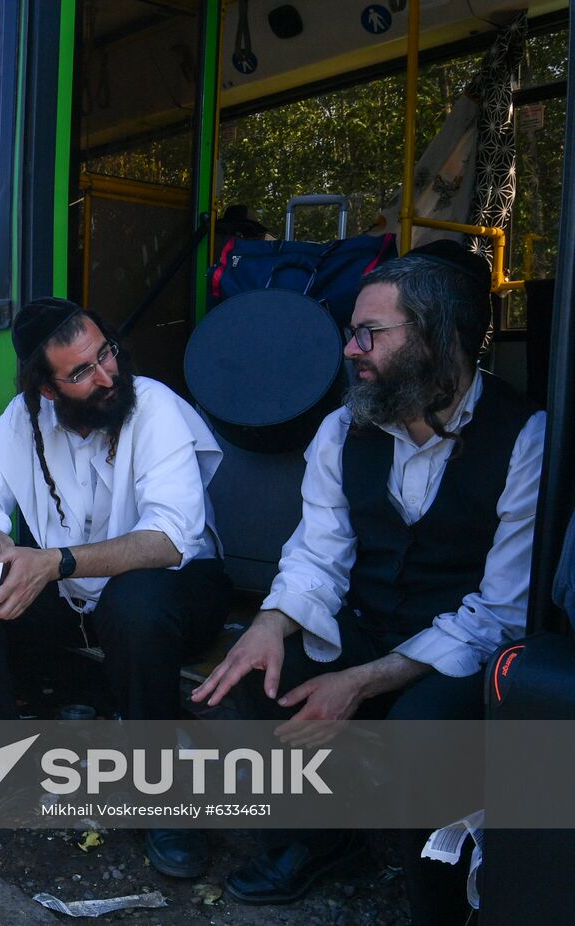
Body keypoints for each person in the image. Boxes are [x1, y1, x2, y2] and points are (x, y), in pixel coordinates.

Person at [191, 241, 544, 922]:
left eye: (369, 333)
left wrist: (359, 682)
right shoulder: (340, 430)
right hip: (374, 622)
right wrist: (269, 624)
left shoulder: (524, 438)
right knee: (268, 672)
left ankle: (440, 899)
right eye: (353, 332)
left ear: (437, 340)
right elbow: (316, 556)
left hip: (464, 652)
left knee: (424, 731)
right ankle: (324, 840)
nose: (350, 349)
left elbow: (502, 614)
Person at [0, 297, 230, 875]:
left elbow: (169, 539)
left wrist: (54, 561)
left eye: (106, 353)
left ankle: (165, 801)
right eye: (82, 372)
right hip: (73, 598)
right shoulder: (25, 418)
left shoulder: (155, 406)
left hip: (176, 593)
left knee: (135, 600)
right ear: (48, 390)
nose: (108, 375)